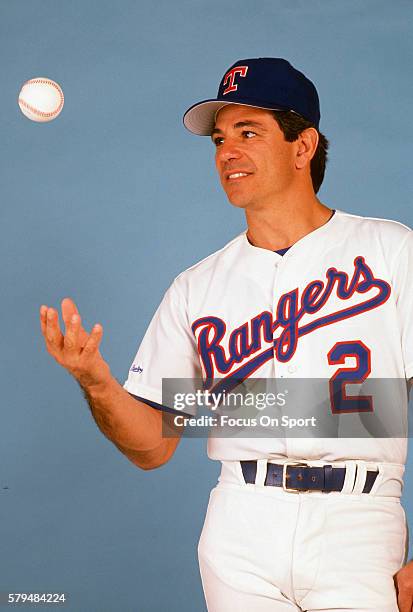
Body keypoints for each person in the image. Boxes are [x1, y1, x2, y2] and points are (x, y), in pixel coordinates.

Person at [40, 58, 413, 611]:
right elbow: (153, 446)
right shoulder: (197, 287)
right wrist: (97, 384)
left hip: (360, 520)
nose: (226, 153)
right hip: (242, 523)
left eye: (248, 132)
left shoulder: (392, 251)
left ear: (303, 147)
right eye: (218, 139)